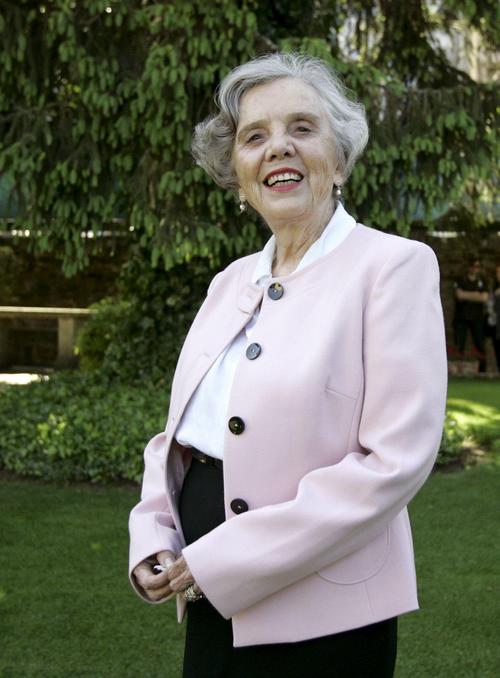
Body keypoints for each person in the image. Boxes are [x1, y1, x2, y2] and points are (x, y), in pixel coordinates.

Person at [128, 53, 448, 678]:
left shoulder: (393, 267)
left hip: (326, 611)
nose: (279, 147)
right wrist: (154, 534)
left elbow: (394, 462)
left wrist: (226, 559)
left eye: (302, 128)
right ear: (239, 176)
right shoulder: (228, 282)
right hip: (208, 592)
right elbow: (182, 435)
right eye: (255, 137)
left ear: (340, 159)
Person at [453, 257, 488, 372]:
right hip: (462, 317)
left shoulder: (482, 280)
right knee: (459, 345)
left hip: (477, 317)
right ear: (469, 267)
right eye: (473, 266)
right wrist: (476, 295)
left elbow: (484, 297)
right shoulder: (461, 279)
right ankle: (458, 371)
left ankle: (482, 372)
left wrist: (466, 295)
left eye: (477, 266)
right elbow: (459, 295)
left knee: (480, 345)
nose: (474, 269)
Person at [484, 264, 500, 372]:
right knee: (497, 347)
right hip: (496, 324)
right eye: (498, 272)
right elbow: (489, 305)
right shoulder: (493, 289)